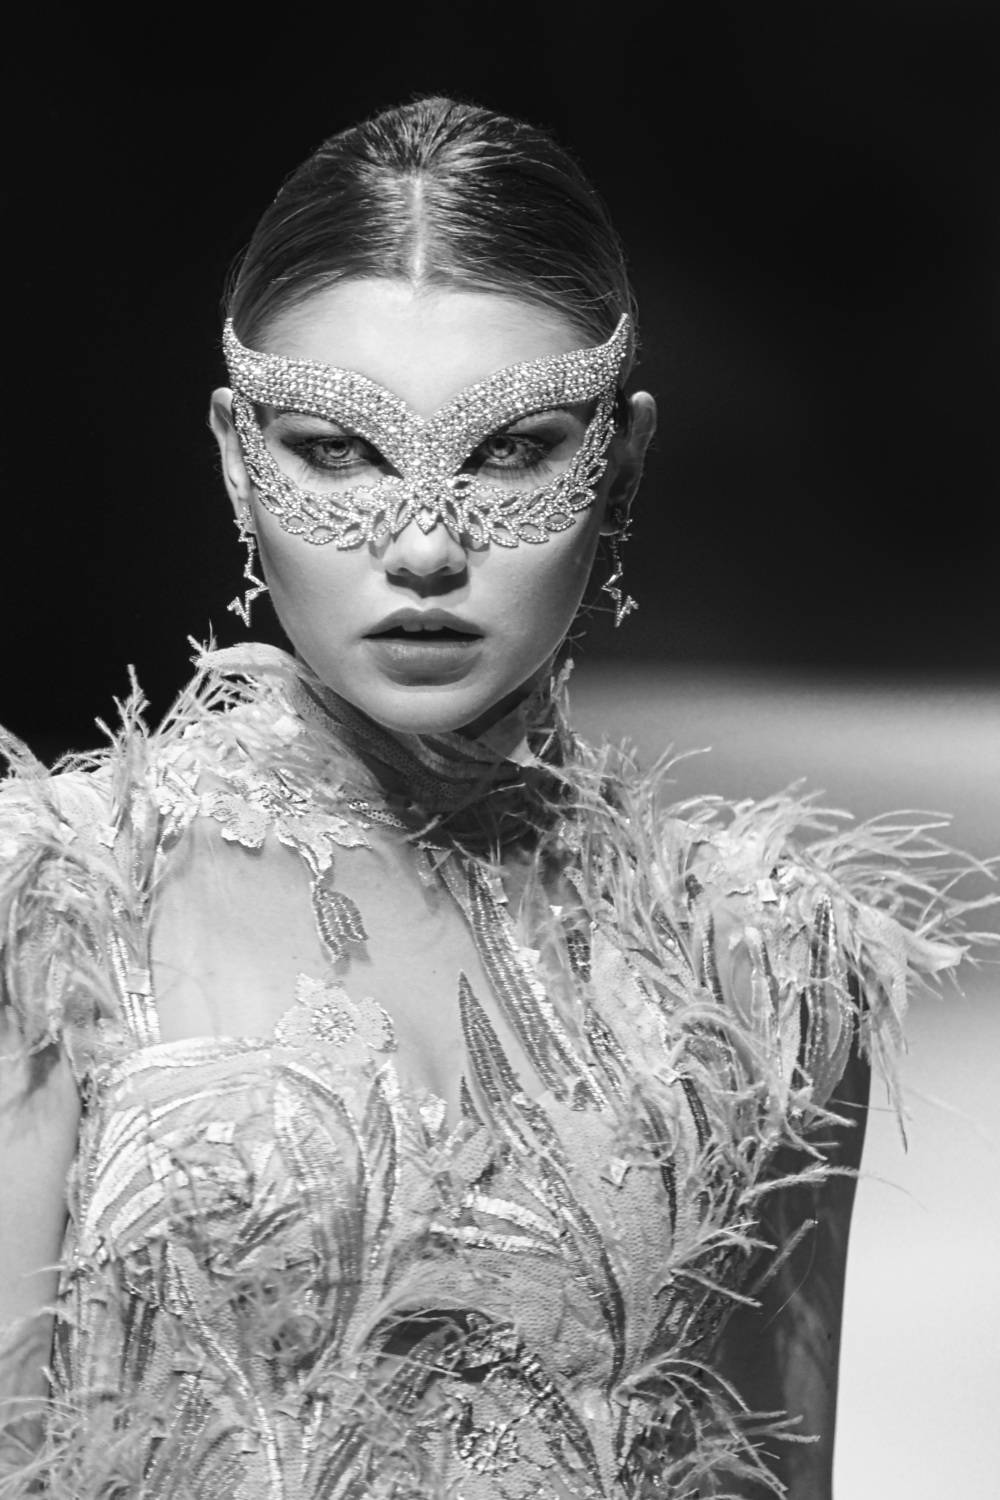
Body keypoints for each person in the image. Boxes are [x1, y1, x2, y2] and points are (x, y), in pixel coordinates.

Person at [0, 95, 983, 1500]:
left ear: (621, 461)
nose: (422, 543)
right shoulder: (57, 913)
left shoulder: (761, 969)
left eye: (512, 450)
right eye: (337, 448)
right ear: (233, 455)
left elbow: (768, 1470)